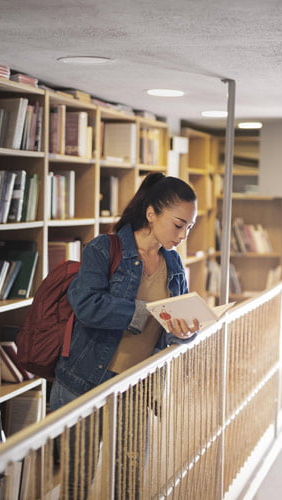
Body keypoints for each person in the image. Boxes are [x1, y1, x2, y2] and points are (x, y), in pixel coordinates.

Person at [48, 173, 199, 497]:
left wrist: (184, 332)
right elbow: (87, 305)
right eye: (178, 224)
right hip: (84, 381)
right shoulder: (105, 248)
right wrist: (143, 313)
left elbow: (170, 332)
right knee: (78, 481)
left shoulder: (173, 263)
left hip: (138, 385)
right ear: (151, 214)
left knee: (129, 480)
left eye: (189, 227)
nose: (183, 235)